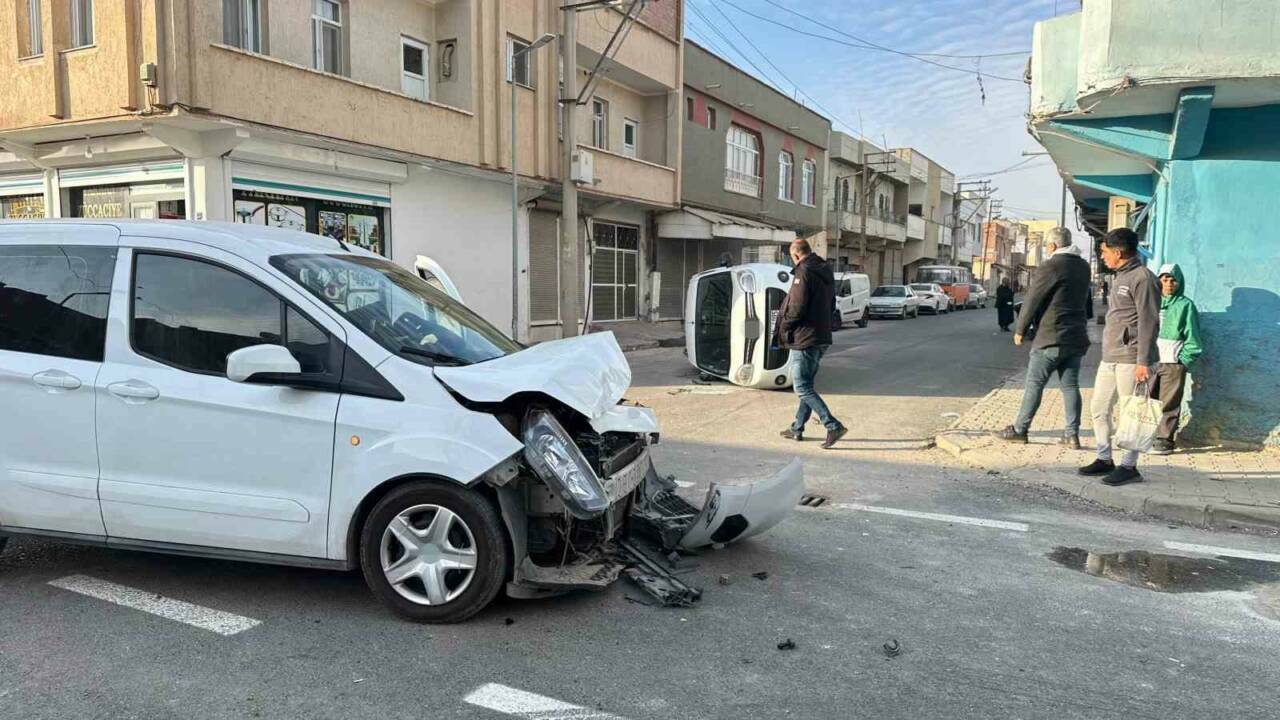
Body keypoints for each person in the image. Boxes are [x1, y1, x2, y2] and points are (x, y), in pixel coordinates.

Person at [995, 227, 1092, 449]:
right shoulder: (1083, 266)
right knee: (1070, 386)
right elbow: (1086, 303)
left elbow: (1032, 298)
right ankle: (1072, 435)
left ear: (1052, 246)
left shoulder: (1051, 266)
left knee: (1034, 384)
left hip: (1051, 336)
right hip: (1076, 335)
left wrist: (1020, 330)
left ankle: (1020, 430)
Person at [1078, 228, 1160, 485]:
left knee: (1129, 414)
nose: (1102, 256)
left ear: (1118, 252)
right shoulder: (1120, 276)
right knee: (1099, 408)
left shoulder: (1143, 278)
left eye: (1104, 252)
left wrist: (1143, 361)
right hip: (1110, 356)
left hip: (1131, 358)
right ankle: (1104, 458)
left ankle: (1129, 466)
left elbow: (1149, 321)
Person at [776, 239, 847, 449]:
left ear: (796, 255)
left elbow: (796, 307)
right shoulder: (824, 270)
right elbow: (832, 303)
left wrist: (784, 327)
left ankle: (832, 425)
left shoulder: (804, 271)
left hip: (805, 337)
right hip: (821, 336)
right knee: (806, 384)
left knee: (801, 387)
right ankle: (797, 427)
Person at [1150, 263, 1203, 454]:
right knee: (1146, 398)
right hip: (1149, 360)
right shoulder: (1151, 301)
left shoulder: (1185, 305)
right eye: (1165, 280)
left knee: (1169, 402)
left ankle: (1165, 438)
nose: (1169, 284)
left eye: (1174, 280)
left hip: (1173, 362)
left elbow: (1193, 336)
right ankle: (1145, 434)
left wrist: (1183, 360)